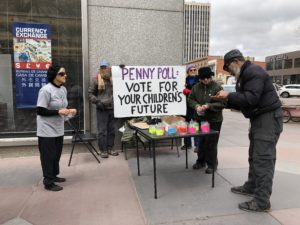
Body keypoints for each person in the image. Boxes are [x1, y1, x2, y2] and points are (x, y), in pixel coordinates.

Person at [211, 49, 283, 212]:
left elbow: (251, 98)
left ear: (236, 61)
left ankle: (262, 201)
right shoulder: (245, 75)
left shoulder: (253, 72)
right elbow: (245, 101)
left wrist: (228, 96)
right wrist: (224, 101)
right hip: (260, 119)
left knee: (263, 159)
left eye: (228, 68)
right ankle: (251, 186)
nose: (229, 71)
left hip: (268, 119)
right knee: (254, 156)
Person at [36, 65, 77, 191]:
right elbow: (40, 110)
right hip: (46, 130)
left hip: (58, 128)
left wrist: (69, 111)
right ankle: (48, 181)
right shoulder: (45, 90)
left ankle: (53, 176)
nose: (65, 75)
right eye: (62, 73)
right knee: (48, 156)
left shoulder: (63, 89)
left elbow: (62, 106)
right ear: (54, 75)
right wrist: (59, 112)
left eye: (65, 73)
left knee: (56, 154)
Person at [188, 67, 226, 174]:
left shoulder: (217, 87)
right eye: (203, 78)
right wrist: (196, 106)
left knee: (212, 142)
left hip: (214, 120)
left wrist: (208, 106)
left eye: (207, 77)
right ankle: (201, 161)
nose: (205, 80)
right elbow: (190, 99)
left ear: (211, 76)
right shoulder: (196, 87)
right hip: (201, 119)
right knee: (202, 141)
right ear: (199, 78)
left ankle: (212, 164)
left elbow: (223, 103)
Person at [88, 59, 118, 158]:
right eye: (102, 67)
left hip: (112, 108)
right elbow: (90, 93)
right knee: (102, 131)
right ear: (100, 69)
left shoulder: (114, 79)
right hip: (101, 109)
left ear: (110, 69)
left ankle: (110, 148)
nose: (104, 69)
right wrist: (97, 102)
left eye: (106, 67)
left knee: (112, 130)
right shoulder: (96, 79)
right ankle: (102, 150)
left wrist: (123, 69)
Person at [182, 64, 199, 151]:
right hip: (186, 106)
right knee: (186, 125)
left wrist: (189, 92)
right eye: (191, 70)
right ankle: (187, 144)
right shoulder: (184, 80)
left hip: (195, 105)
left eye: (194, 70)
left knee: (195, 125)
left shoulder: (199, 80)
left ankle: (197, 145)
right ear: (187, 72)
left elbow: (199, 92)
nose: (193, 71)